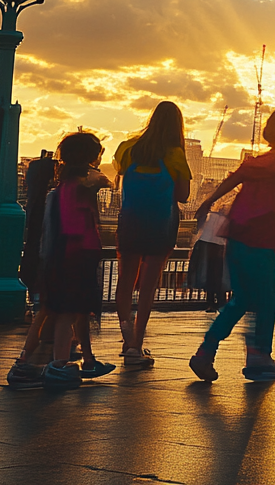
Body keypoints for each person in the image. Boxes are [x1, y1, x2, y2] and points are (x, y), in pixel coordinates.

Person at [188, 109, 275, 383]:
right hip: (264, 237)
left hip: (236, 235)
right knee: (267, 299)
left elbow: (225, 186)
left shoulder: (254, 163)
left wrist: (205, 206)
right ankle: (259, 358)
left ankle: (206, 351)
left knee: (241, 298)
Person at [6, 133, 116, 390]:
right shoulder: (80, 187)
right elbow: (77, 227)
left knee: (50, 311)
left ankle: (23, 363)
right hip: (76, 258)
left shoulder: (61, 187)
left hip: (57, 259)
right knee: (68, 313)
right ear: (90, 157)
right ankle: (59, 365)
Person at [113, 101, 193, 367]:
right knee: (148, 287)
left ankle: (126, 339)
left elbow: (120, 173)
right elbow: (183, 196)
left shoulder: (128, 148)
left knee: (125, 281)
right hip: (161, 224)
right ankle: (137, 345)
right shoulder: (175, 155)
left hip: (130, 222)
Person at [19, 149, 57, 309]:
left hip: (33, 256)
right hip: (49, 258)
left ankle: (32, 300)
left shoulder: (32, 204)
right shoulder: (54, 200)